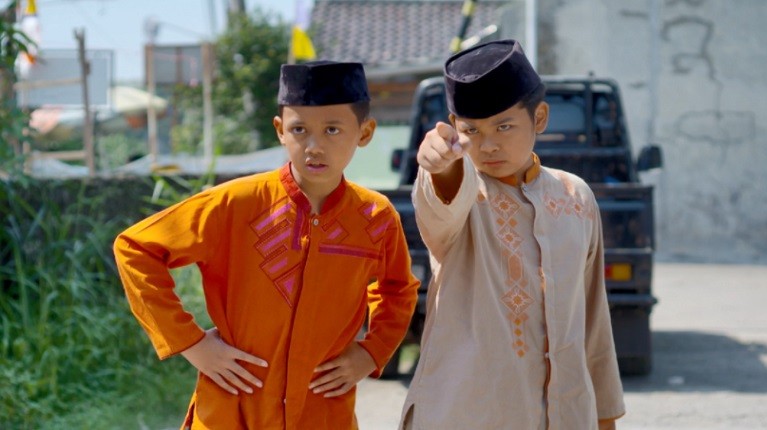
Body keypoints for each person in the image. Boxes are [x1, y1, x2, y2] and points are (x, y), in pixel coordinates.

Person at [113, 60, 419, 429]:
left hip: (322, 411)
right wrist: (192, 344)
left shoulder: (375, 216)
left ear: (365, 132)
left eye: (333, 129)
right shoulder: (237, 204)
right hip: (232, 407)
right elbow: (135, 249)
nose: (314, 146)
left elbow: (397, 290)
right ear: (280, 131)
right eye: (299, 129)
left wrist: (372, 352)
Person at [400, 40, 625, 429]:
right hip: (466, 414)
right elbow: (439, 203)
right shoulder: (464, 196)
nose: (487, 145)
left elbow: (592, 319)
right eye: (471, 130)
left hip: (568, 415)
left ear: (539, 118)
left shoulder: (576, 197)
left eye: (504, 126)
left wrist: (604, 416)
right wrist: (440, 166)